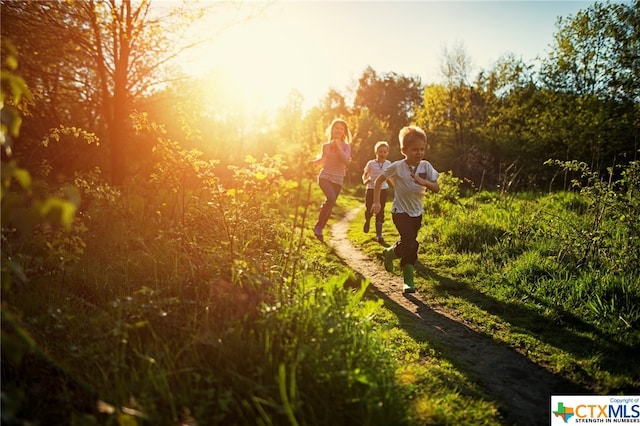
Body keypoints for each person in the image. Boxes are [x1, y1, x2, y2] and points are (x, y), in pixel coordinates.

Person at [371, 125, 439, 293]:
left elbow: (436, 187)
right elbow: (379, 181)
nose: (419, 153)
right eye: (415, 149)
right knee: (412, 243)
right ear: (404, 150)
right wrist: (377, 202)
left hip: (417, 213)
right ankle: (408, 281)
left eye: (422, 149)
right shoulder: (397, 166)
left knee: (407, 243)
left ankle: (390, 253)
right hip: (400, 212)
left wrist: (424, 182)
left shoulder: (426, 166)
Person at [309, 118, 352, 242]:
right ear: (332, 130)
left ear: (344, 132)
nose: (338, 130)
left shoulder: (346, 146)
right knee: (331, 198)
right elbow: (323, 160)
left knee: (330, 202)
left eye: (341, 128)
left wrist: (338, 146)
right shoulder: (326, 146)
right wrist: (313, 162)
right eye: (336, 127)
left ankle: (319, 228)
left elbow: (345, 160)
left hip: (338, 179)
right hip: (325, 177)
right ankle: (318, 227)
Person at [362, 141, 391, 243]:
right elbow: (365, 174)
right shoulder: (371, 163)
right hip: (371, 188)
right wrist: (365, 181)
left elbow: (391, 176)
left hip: (383, 189)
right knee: (369, 207)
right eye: (380, 151)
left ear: (387, 153)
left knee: (380, 210)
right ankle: (367, 220)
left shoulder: (388, 164)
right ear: (376, 152)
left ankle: (379, 234)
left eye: (384, 152)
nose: (382, 154)